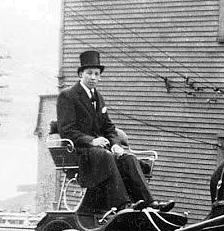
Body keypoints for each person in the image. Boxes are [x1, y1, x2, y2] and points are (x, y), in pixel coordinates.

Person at [56, 50, 174, 214]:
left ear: (100, 77)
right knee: (106, 156)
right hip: (79, 151)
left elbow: (108, 128)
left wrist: (116, 145)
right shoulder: (68, 96)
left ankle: (150, 202)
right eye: (89, 73)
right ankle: (122, 204)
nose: (93, 77)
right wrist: (91, 141)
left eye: (96, 74)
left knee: (128, 158)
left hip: (99, 151)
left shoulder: (99, 97)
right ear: (80, 74)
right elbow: (66, 130)